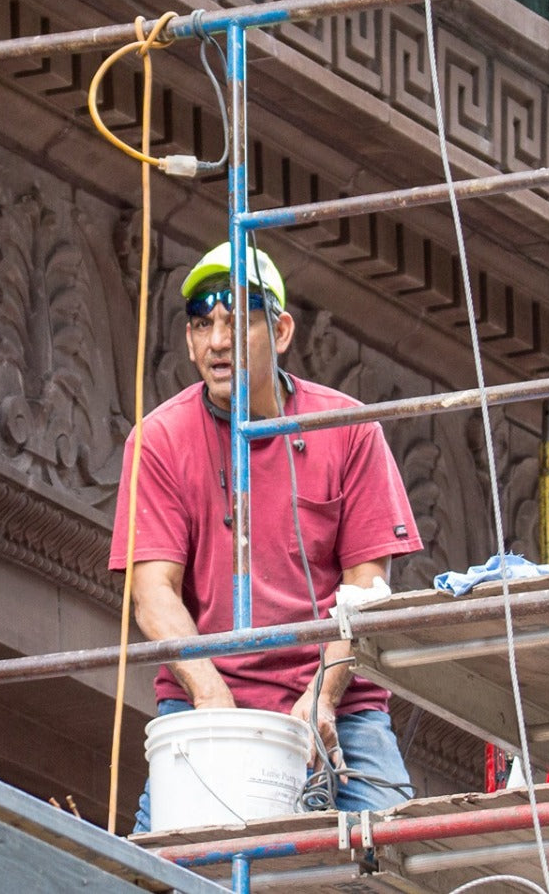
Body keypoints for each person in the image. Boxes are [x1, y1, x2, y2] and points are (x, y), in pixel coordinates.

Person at [110, 241, 422, 832]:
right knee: (165, 871)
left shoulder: (347, 429)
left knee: (388, 863)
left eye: (237, 321)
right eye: (202, 325)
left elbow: (368, 589)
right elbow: (152, 595)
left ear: (281, 331)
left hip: (340, 708)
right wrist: (212, 699)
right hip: (207, 704)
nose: (217, 342)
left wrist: (323, 698)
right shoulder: (159, 440)